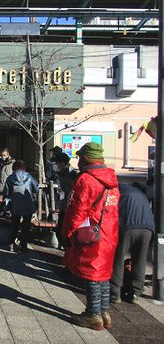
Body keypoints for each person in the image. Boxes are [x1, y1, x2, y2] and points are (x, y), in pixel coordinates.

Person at [61, 142, 119, 331]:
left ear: (86, 159)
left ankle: (93, 314)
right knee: (103, 275)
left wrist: (67, 232)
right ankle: (104, 312)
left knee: (92, 274)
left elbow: (77, 211)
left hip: (91, 234)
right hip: (109, 233)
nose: (78, 161)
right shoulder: (112, 179)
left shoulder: (86, 180)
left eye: (80, 157)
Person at [110, 183, 155, 304]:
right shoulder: (141, 195)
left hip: (127, 226)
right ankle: (135, 293)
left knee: (117, 258)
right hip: (148, 229)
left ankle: (115, 293)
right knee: (140, 260)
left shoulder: (118, 190)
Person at [3, 160, 38, 253]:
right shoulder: (29, 177)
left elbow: (6, 192)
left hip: (15, 203)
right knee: (26, 226)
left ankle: (11, 244)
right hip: (27, 202)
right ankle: (23, 245)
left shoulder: (10, 178)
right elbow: (35, 189)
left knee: (14, 224)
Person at [53, 153, 77, 249]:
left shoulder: (72, 175)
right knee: (60, 231)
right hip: (63, 207)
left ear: (63, 163)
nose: (56, 166)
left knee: (65, 233)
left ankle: (68, 253)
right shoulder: (61, 174)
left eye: (57, 163)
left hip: (70, 209)